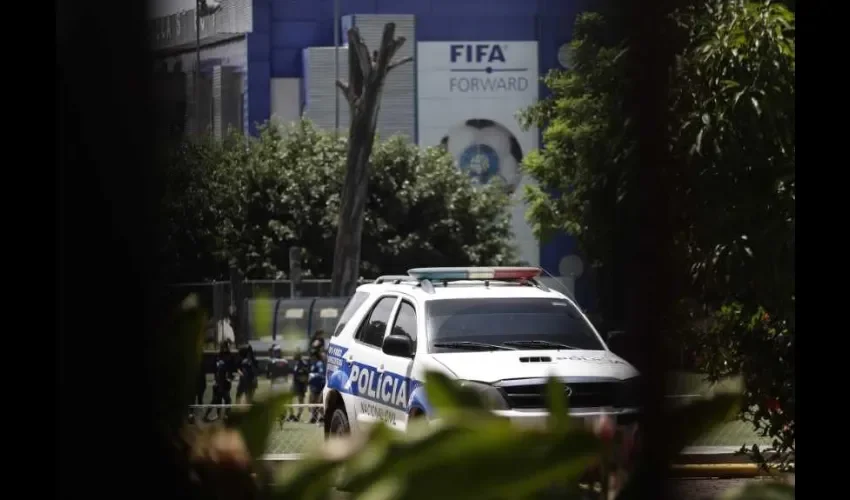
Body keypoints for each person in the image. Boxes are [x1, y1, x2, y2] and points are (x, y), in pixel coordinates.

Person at [205, 342, 234, 422]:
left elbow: (229, 370)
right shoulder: (221, 357)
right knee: (223, 400)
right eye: (226, 347)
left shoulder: (224, 357)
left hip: (222, 382)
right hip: (221, 382)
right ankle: (224, 415)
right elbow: (217, 369)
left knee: (218, 400)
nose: (227, 348)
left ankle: (221, 415)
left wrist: (229, 378)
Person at [286, 350, 310, 423]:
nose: (293, 356)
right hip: (295, 385)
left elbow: (306, 375)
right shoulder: (295, 363)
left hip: (300, 386)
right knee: (288, 400)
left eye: (294, 354)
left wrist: (305, 384)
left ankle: (298, 416)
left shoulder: (303, 363)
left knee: (300, 401)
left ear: (298, 355)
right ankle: (291, 415)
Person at [307, 351, 327, 424]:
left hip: (319, 387)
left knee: (319, 403)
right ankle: (313, 418)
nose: (310, 358)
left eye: (311, 356)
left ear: (315, 357)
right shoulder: (313, 364)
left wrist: (313, 375)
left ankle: (322, 417)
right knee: (312, 402)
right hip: (313, 387)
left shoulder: (320, 364)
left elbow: (322, 375)